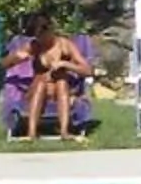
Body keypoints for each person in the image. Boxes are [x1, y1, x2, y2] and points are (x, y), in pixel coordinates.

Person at [6, 13, 96, 143]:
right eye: (37, 36)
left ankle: (64, 131)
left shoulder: (64, 45)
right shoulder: (34, 46)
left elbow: (88, 71)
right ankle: (31, 133)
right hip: (37, 91)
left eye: (42, 35)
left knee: (61, 80)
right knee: (42, 80)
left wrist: (65, 64)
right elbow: (4, 64)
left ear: (50, 30)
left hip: (60, 92)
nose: (40, 39)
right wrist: (15, 58)